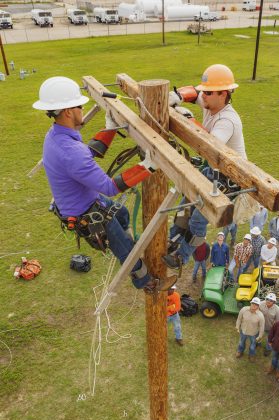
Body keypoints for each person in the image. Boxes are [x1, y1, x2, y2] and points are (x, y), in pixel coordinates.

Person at [33, 76, 176, 293]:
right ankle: (147, 283)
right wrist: (149, 166)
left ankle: (125, 240)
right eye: (79, 106)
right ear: (68, 111)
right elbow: (109, 187)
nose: (83, 109)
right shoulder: (71, 152)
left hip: (85, 200)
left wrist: (108, 129)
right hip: (85, 212)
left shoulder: (56, 135)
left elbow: (86, 155)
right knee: (127, 250)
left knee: (122, 214)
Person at [164, 64, 246, 270]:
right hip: (214, 169)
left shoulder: (227, 120)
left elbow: (209, 144)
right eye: (205, 92)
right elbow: (193, 92)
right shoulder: (212, 104)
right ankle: (173, 239)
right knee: (185, 206)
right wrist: (178, 96)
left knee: (198, 221)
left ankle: (181, 257)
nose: (204, 96)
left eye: (209, 92)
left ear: (223, 94)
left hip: (230, 178)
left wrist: (188, 119)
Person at [236, 297, 265, 362]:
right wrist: (237, 327)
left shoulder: (260, 316)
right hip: (243, 331)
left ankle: (251, 355)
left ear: (258, 306)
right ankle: (240, 351)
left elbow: (261, 327)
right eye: (253, 303)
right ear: (250, 303)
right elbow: (239, 319)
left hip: (253, 334)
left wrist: (260, 336)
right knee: (241, 343)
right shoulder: (243, 310)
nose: (254, 305)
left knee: (252, 346)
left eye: (256, 304)